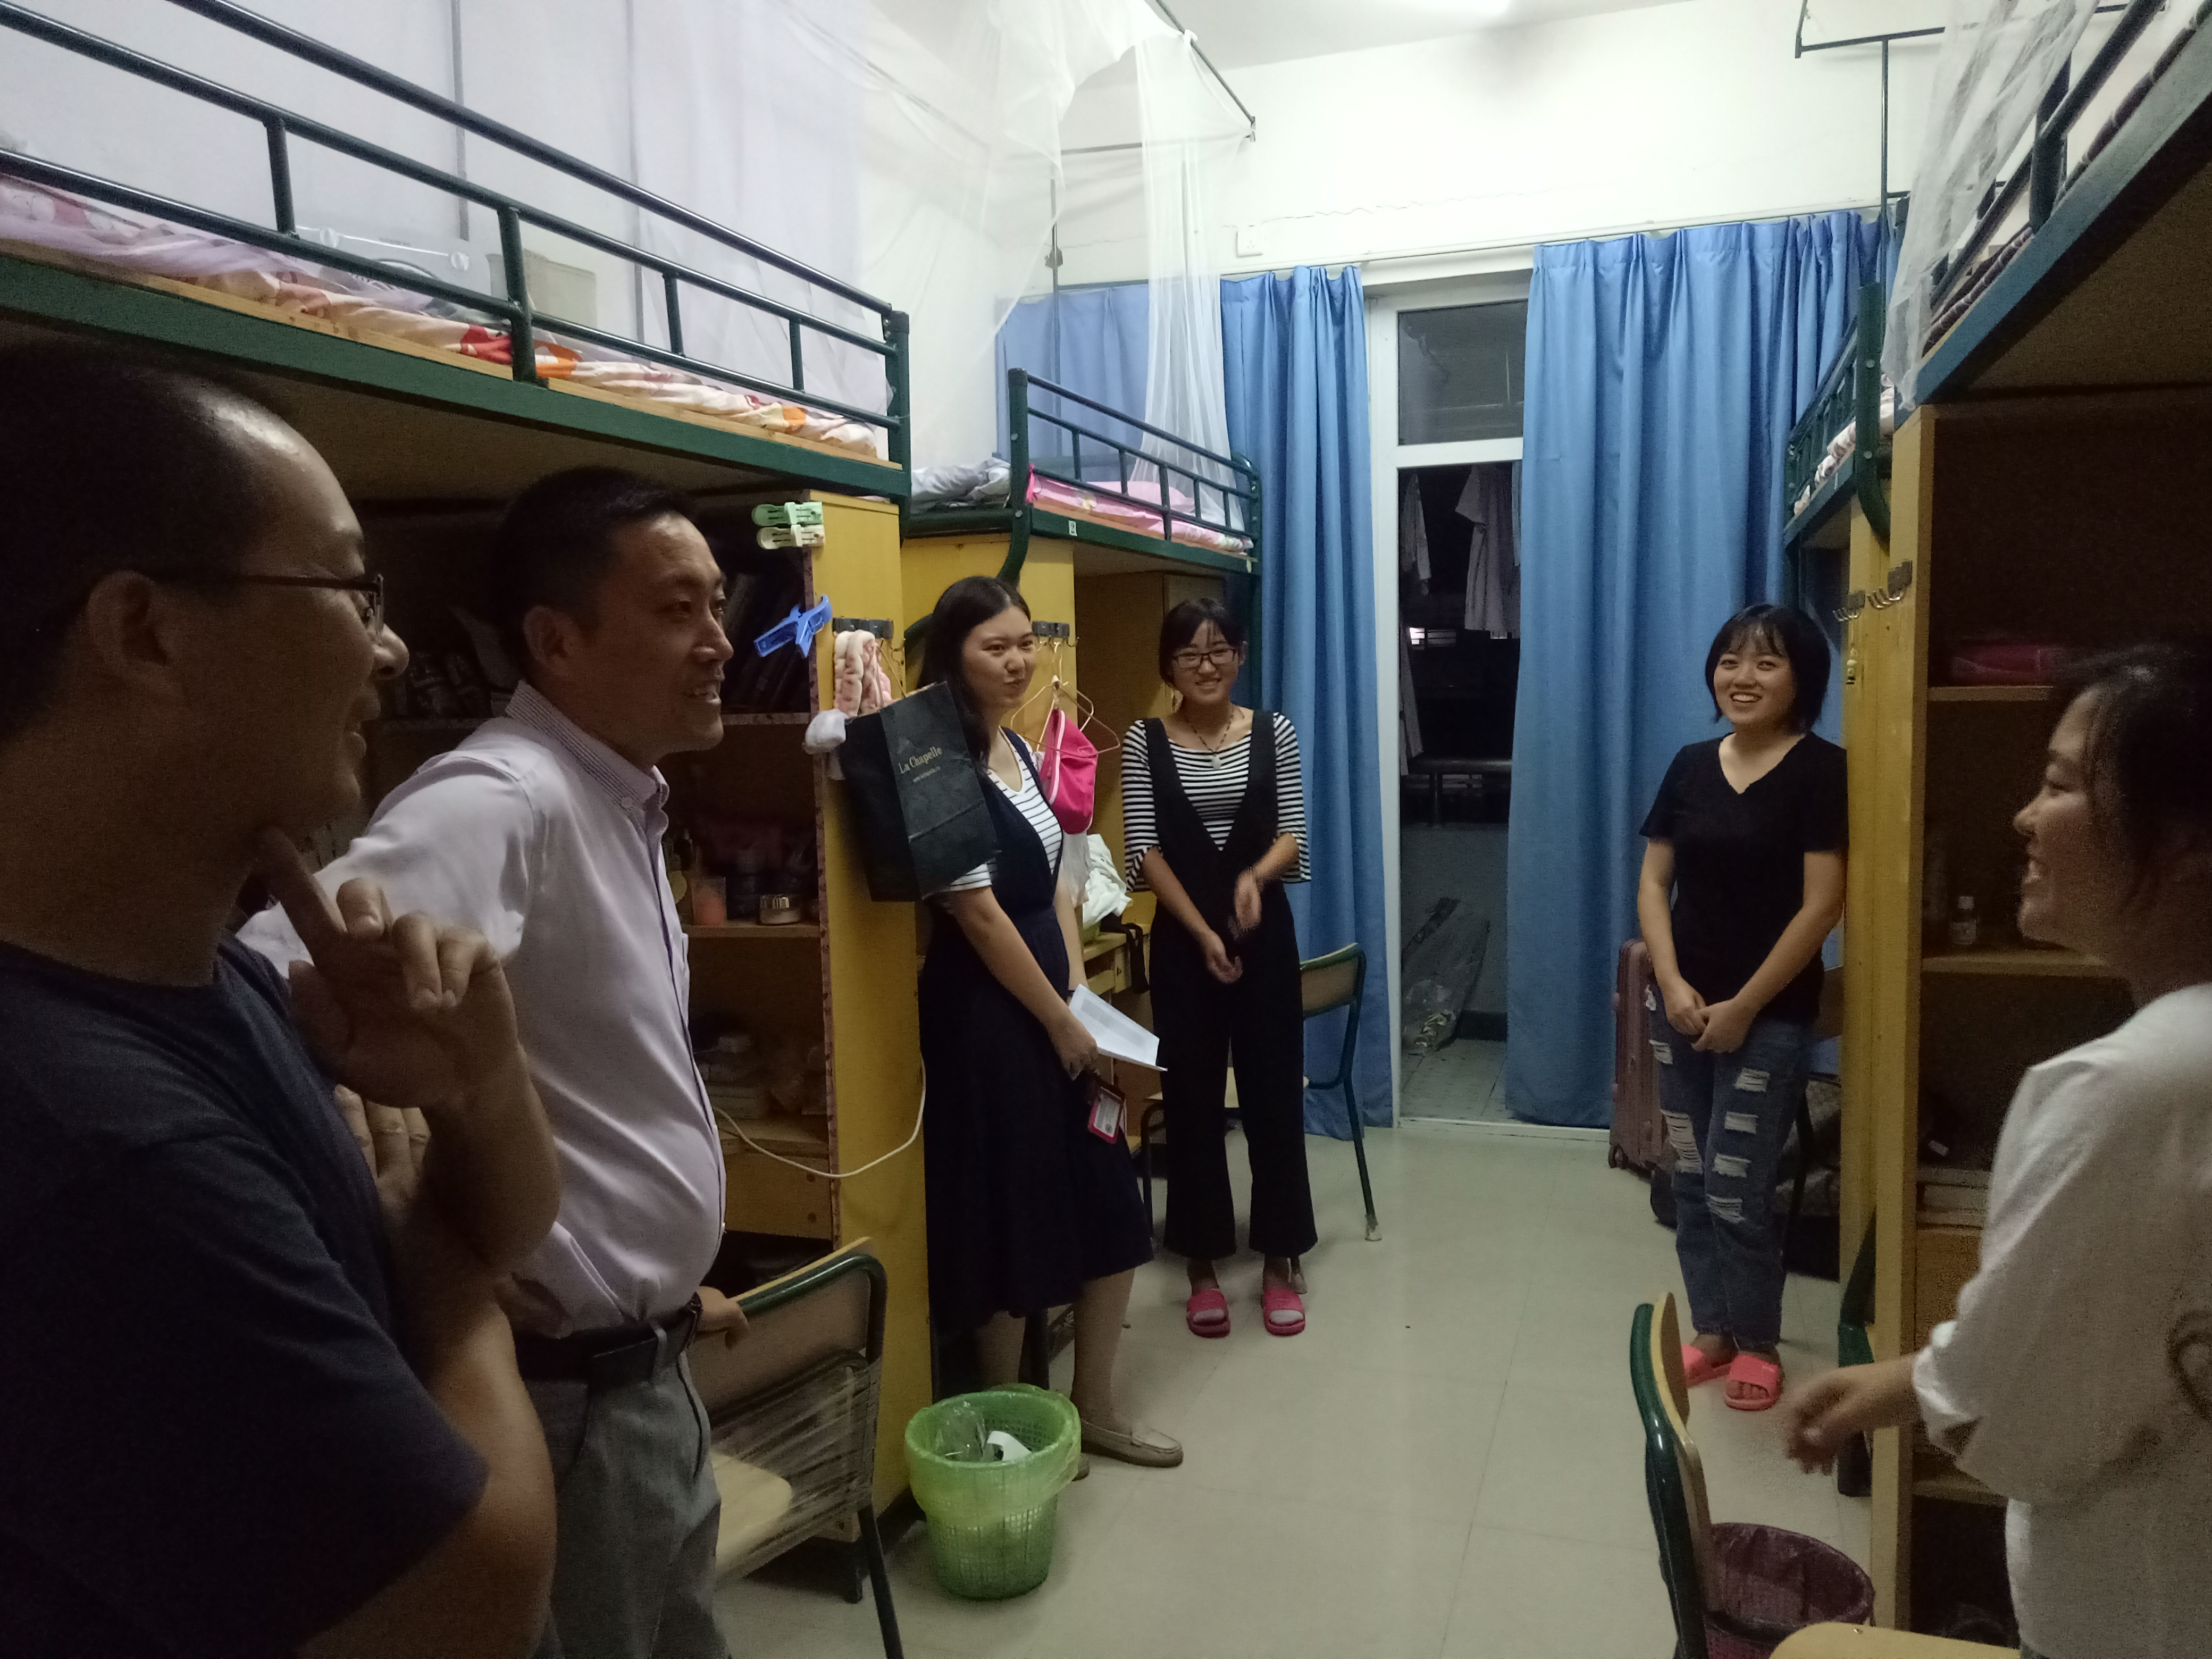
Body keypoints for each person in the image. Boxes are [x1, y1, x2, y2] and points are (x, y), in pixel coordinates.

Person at [0, 345, 562, 1656]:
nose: (393, 648)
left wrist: (475, 1087)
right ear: (146, 632)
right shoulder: (91, 1143)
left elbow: (514, 1216)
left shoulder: (219, 974)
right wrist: (443, 1269)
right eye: (353, 590)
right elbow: (475, 1600)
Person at [242, 466, 746, 1659]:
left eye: (717, 606)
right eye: (677, 609)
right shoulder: (507, 794)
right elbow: (265, 985)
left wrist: (664, 1279)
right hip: (563, 1399)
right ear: (556, 641)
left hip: (641, 1367)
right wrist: (387, 1213)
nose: (719, 642)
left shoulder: (614, 796)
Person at [1787, 642, 2212, 1659]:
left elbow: (2012, 1433)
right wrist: (1901, 1385)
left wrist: (1948, 1391)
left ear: (2187, 842)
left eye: (2060, 785)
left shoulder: (2128, 1092)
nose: (2023, 817)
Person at [916, 575, 1180, 1468]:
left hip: (1054, 1007)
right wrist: (1056, 1021)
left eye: (1025, 642)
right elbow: (978, 915)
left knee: (1111, 1203)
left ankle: (1093, 1406)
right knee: (1010, 1223)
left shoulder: (1024, 753)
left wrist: (1081, 1004)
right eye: (995, 646)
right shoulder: (937, 768)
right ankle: (1007, 1438)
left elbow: (1063, 886)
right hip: (988, 1025)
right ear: (952, 657)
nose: (1018, 661)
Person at [1636, 603, 1846, 1411]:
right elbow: (1655, 883)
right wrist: (1671, 981)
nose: (1742, 677)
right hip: (1679, 1006)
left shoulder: (1823, 771)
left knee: (1736, 1185)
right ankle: (1715, 1331)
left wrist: (1744, 1006)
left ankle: (1758, 1341)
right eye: (1730, 661)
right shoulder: (1691, 766)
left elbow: (1822, 906)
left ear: (1802, 679)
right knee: (1691, 1176)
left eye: (1766, 662)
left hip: (1770, 1015)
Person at [1120, 599, 1314, 1339]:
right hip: (1183, 943)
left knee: (1273, 1095)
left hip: (1265, 939)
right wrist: (1202, 931)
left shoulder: (1274, 731)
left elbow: (1293, 834)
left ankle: (1279, 1259)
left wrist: (1255, 876)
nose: (1206, 666)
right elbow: (1144, 850)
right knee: (1192, 1100)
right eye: (1189, 654)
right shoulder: (1143, 740)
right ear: (1168, 666)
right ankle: (1201, 1263)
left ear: (1240, 656)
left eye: (1219, 650)